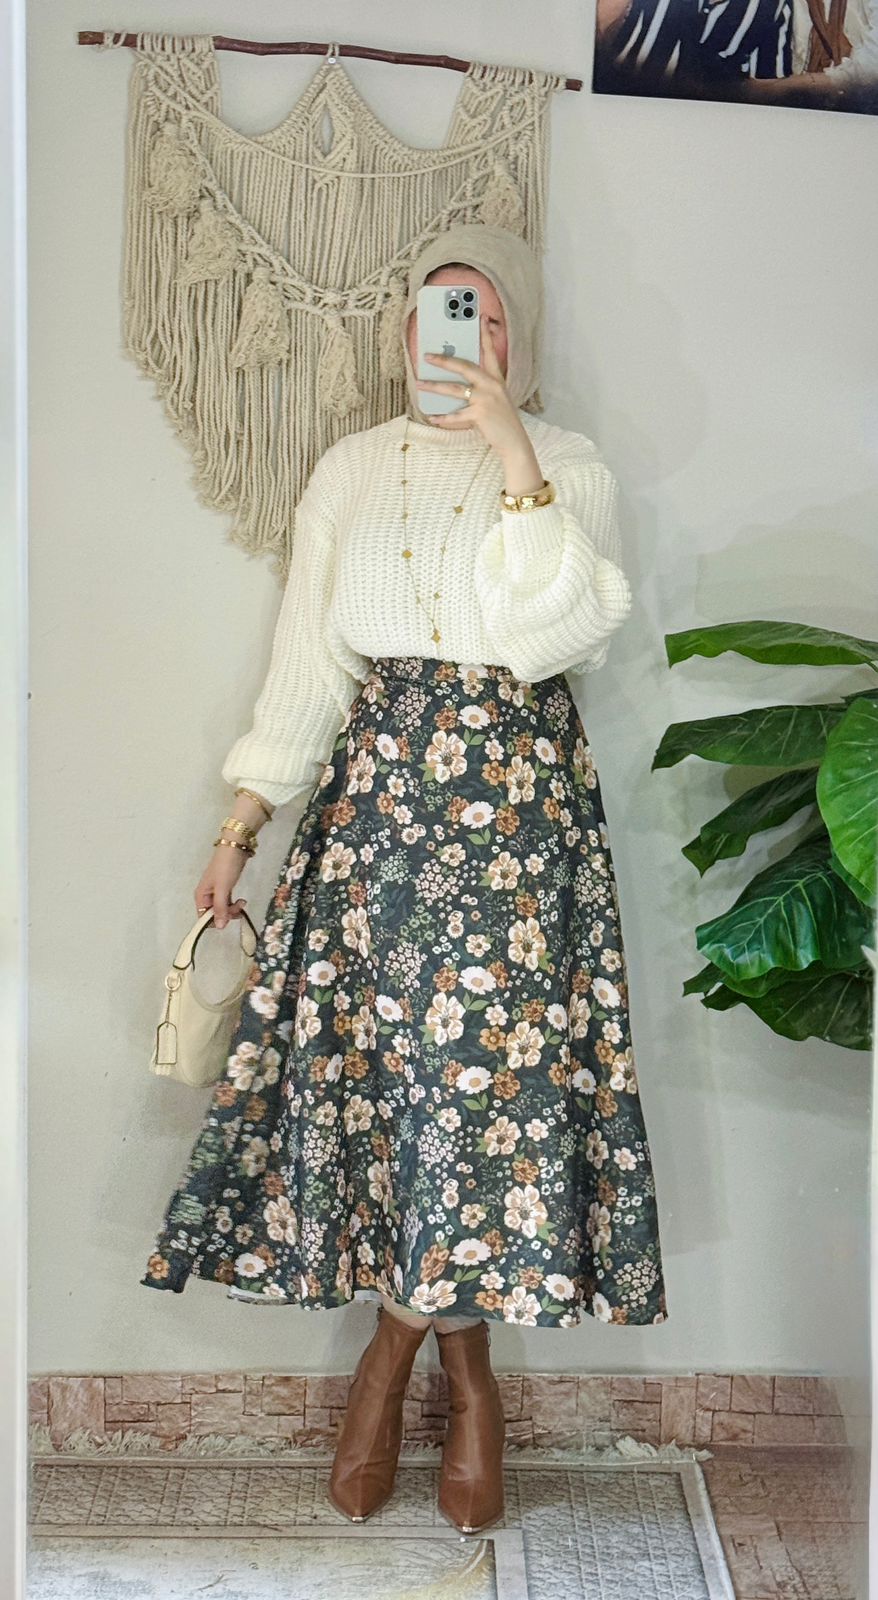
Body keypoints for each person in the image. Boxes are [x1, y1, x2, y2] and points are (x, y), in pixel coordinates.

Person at [140, 221, 669, 1536]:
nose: (457, 338)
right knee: (392, 1099)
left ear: (517, 335)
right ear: (404, 332)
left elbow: (558, 637)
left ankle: (407, 1368)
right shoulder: (350, 468)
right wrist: (243, 821)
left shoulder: (570, 464)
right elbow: (311, 664)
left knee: (490, 1104)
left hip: (518, 825)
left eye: (483, 315)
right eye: (439, 312)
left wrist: (510, 452)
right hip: (378, 817)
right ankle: (446, 1372)